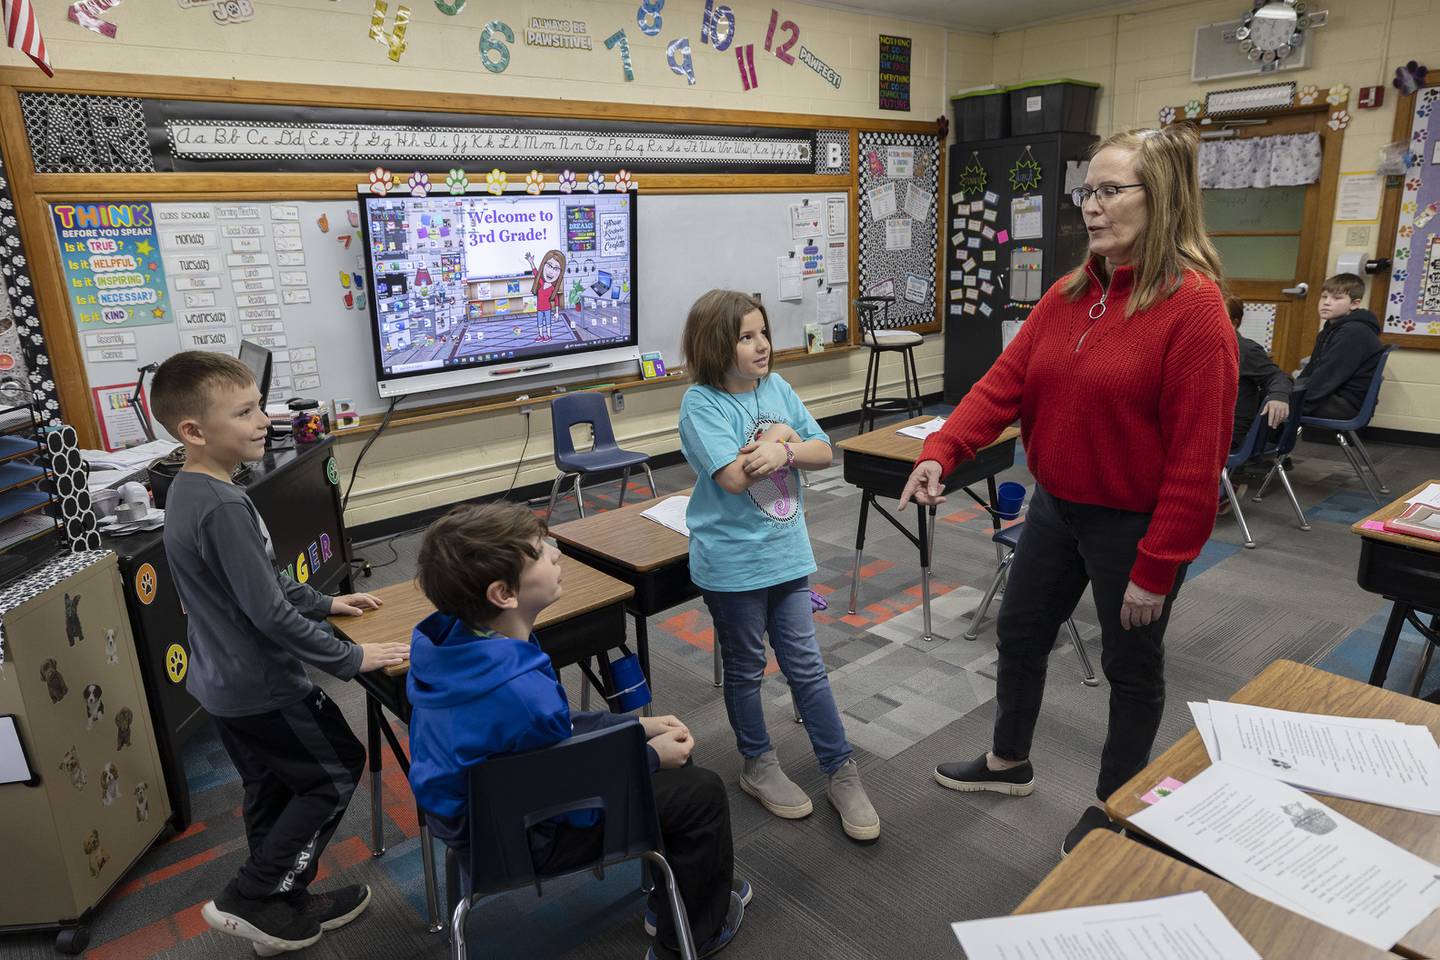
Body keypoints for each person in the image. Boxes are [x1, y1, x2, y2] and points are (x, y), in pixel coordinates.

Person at [898, 126, 1238, 855]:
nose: (1092, 206)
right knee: (1021, 634)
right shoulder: (1070, 291)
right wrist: (943, 448)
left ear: (1165, 198)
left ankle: (1117, 808)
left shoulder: (1194, 309)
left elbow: (1195, 459)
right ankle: (1006, 761)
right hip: (1057, 507)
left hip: (1136, 525)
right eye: (1088, 191)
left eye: (1111, 191)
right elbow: (1003, 386)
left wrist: (1158, 565)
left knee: (1130, 666)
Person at [406, 503, 748, 960]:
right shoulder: (521, 691)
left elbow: (548, 740)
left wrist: (634, 726)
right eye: (539, 551)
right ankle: (689, 933)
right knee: (700, 792)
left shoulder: (454, 645)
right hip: (519, 841)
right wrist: (648, 757)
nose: (556, 551)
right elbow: (568, 793)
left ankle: (678, 894)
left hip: (472, 822)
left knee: (670, 761)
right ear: (503, 593)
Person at [152, 351, 410, 954]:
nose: (263, 419)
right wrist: (351, 659)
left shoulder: (193, 491)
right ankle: (253, 892)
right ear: (194, 432)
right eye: (244, 412)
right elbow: (265, 612)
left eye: (258, 405)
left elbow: (262, 581)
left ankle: (281, 905)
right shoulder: (221, 507)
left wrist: (326, 605)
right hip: (263, 685)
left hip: (224, 687)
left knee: (272, 787)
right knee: (334, 770)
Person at [678, 289, 880, 842]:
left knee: (806, 666)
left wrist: (785, 442)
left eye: (763, 333)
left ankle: (840, 769)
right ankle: (758, 763)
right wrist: (783, 438)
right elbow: (733, 477)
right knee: (745, 668)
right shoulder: (702, 404)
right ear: (717, 345)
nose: (762, 345)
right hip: (734, 563)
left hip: (787, 554)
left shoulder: (777, 387)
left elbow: (822, 451)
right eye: (746, 337)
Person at [1224, 296, 1292, 504]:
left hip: (1228, 432)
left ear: (1233, 322)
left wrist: (1279, 395)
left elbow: (1279, 376)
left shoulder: (1244, 349)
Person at [1295, 273, 1383, 421]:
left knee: (1269, 401)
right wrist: (1292, 390)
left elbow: (1328, 376)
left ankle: (1269, 443)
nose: (1327, 303)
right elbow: (1313, 369)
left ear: (1354, 304)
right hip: (1333, 396)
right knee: (1275, 393)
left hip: (1345, 403)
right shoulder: (1333, 328)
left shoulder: (1353, 332)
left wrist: (1295, 401)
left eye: (1337, 298)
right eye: (1324, 296)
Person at [525, 248, 566, 342]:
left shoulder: (552, 288)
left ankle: (548, 335)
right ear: (543, 265)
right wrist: (531, 262)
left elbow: (556, 300)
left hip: (547, 309)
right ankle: (540, 335)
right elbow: (536, 273)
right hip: (539, 309)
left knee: (548, 323)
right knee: (539, 323)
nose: (551, 272)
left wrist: (556, 312)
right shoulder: (540, 282)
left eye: (556, 269)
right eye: (549, 266)